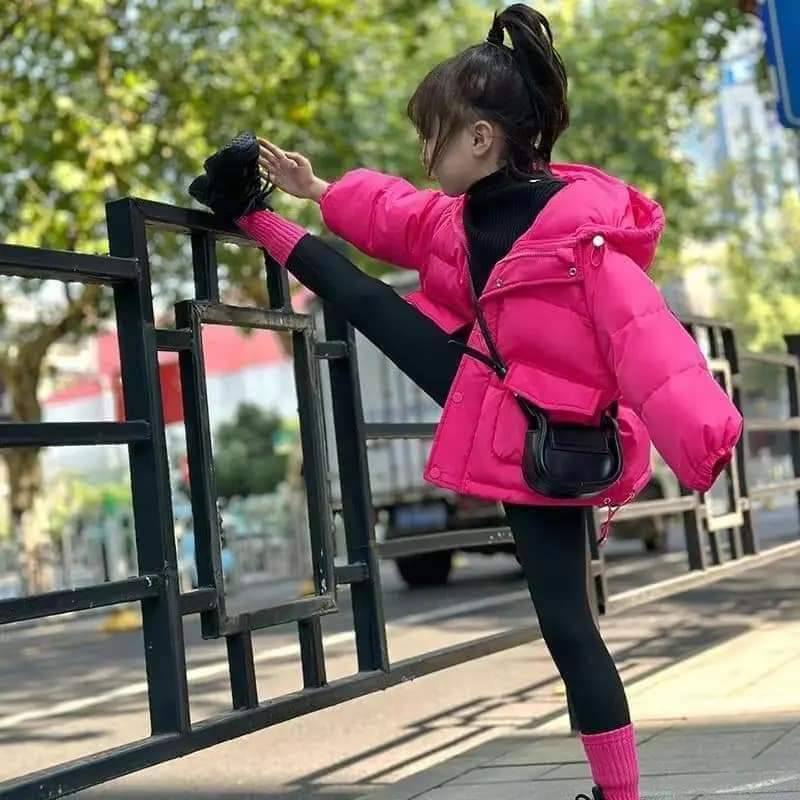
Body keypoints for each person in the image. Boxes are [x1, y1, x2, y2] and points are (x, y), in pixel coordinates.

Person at [188, 5, 743, 798]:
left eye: (434, 137)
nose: (425, 154)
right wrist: (319, 191)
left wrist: (706, 437)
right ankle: (253, 210)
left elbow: (650, 342)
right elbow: (398, 218)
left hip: (554, 442)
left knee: (570, 628)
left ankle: (620, 794)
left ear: (480, 138)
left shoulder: (580, 238)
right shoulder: (460, 217)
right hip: (492, 399)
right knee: (371, 302)